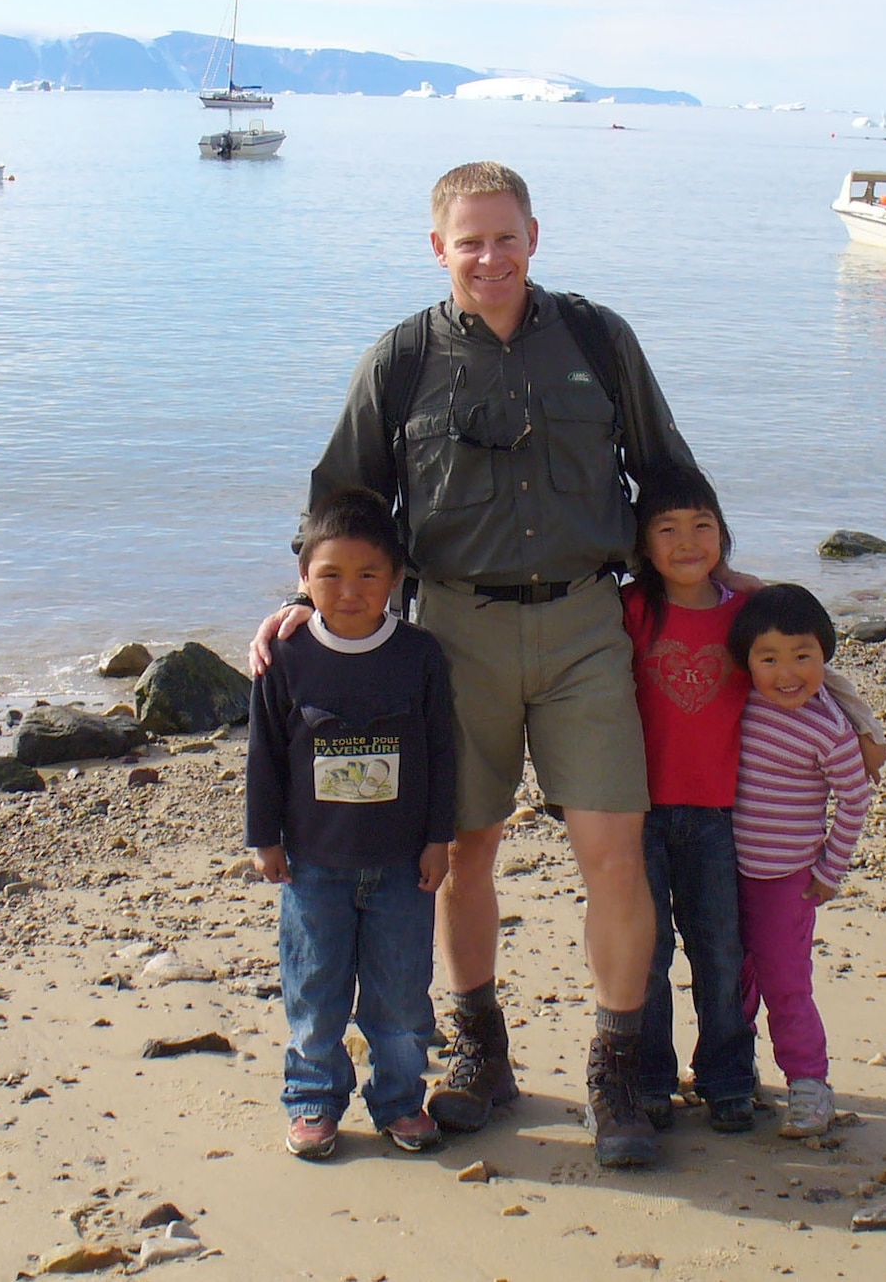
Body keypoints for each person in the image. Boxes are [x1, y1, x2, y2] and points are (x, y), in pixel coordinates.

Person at [250, 161, 708, 1168]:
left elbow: (664, 463)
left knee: (613, 855)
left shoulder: (596, 339)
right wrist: (300, 602)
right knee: (461, 855)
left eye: (505, 238)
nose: (489, 258)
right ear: (438, 248)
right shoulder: (403, 358)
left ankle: (616, 1066)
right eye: (470, 241)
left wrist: (711, 572)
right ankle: (477, 1051)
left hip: (588, 624)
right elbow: (344, 499)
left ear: (533, 237)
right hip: (452, 637)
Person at [245, 488, 455, 1161]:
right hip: (313, 865)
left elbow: (442, 753)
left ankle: (398, 1099)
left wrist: (437, 839)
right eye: (329, 574)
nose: (350, 590)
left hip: (401, 866)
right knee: (315, 992)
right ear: (304, 580)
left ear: (395, 579)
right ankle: (312, 1101)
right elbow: (264, 757)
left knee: (399, 999)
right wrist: (265, 838)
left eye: (369, 575)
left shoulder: (419, 655)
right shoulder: (287, 657)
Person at [621, 464, 760, 1134]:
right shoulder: (628, 610)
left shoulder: (744, 615)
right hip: (638, 811)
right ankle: (649, 1077)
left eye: (702, 526)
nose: (686, 541)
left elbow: (805, 664)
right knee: (646, 953)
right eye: (667, 529)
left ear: (723, 537)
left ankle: (729, 1076)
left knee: (720, 948)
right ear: (642, 544)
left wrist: (860, 733)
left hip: (719, 812)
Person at [727, 584, 877, 1140]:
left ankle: (810, 1084)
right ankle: (732, 1071)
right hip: (725, 868)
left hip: (788, 880)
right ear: (747, 662)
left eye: (802, 656)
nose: (787, 673)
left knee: (786, 983)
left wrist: (829, 871)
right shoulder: (740, 705)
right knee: (729, 975)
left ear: (825, 656)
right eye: (769, 659)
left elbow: (855, 798)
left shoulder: (829, 727)